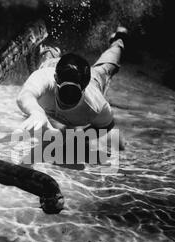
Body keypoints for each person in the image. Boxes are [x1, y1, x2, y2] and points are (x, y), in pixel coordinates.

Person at [16, 27, 128, 163]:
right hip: (50, 67)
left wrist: (77, 138)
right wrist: (36, 112)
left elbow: (106, 126)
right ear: (56, 79)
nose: (68, 99)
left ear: (84, 88)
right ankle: (50, 53)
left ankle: (118, 42)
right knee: (44, 62)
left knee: (108, 67)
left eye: (73, 92)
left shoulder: (95, 104)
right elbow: (25, 95)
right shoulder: (45, 78)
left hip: (93, 79)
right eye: (65, 90)